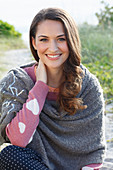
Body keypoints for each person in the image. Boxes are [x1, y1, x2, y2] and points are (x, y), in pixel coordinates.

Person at [0, 8, 106, 170]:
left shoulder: (88, 86)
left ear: (71, 41)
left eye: (61, 39)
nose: (53, 48)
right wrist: (40, 86)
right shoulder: (18, 82)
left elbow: (93, 153)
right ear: (34, 42)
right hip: (36, 166)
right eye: (44, 39)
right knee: (9, 154)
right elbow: (18, 141)